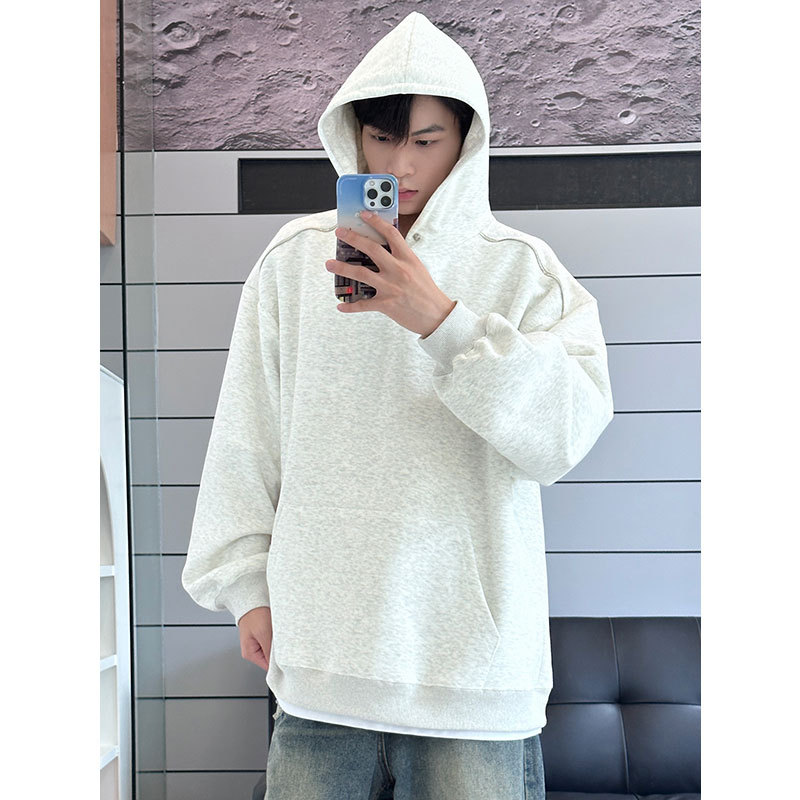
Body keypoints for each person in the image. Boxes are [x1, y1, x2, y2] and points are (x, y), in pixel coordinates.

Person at [181, 10, 614, 799]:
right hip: (322, 662)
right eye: (382, 138)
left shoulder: (524, 272)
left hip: (473, 677)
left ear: (466, 141)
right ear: (352, 135)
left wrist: (444, 323)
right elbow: (248, 437)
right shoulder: (293, 263)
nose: (400, 165)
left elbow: (562, 438)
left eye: (426, 141)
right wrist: (246, 589)